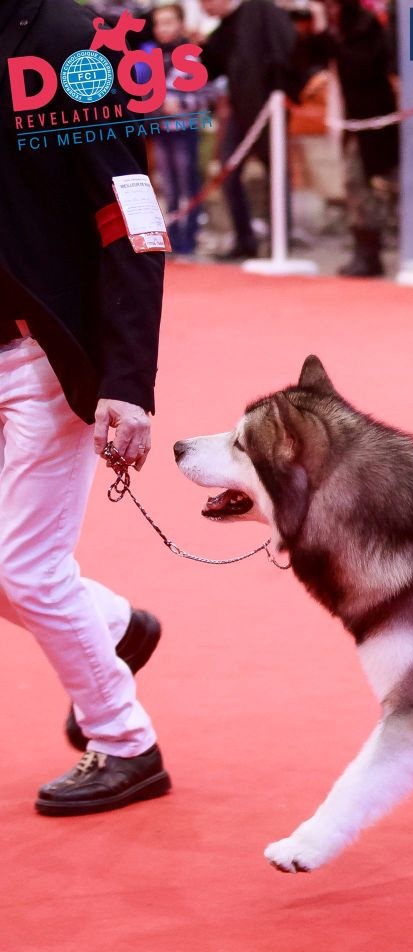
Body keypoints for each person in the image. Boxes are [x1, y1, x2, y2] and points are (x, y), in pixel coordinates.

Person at [0, 0, 170, 814]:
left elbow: (129, 216)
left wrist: (129, 382)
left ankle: (126, 743)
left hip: (44, 354)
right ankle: (115, 628)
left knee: (26, 569)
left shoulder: (73, 46)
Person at [199, 0, 302, 259]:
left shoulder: (262, 11)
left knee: (276, 172)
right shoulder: (223, 28)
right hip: (239, 110)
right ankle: (245, 239)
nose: (204, 7)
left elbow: (287, 51)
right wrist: (199, 47)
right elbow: (212, 68)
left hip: (269, 107)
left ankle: (281, 238)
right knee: (228, 171)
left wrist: (281, 95)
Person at [311, 0, 399, 276]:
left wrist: (331, 38)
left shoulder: (366, 27)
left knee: (361, 182)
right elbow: (310, 57)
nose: (330, 10)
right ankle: (365, 249)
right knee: (355, 183)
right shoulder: (336, 31)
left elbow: (363, 66)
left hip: (374, 118)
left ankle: (370, 252)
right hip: (352, 120)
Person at [146, 1, 224, 256]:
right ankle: (172, 233)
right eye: (159, 23)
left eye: (168, 22)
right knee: (167, 184)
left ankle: (189, 235)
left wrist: (181, 104)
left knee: (186, 180)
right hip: (159, 128)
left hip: (184, 127)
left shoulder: (190, 55)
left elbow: (208, 93)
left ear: (180, 24)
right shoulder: (150, 56)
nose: (163, 29)